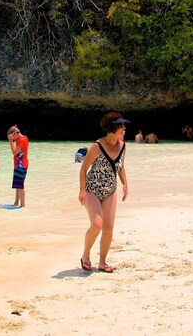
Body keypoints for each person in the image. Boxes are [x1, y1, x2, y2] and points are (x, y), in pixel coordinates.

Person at [79, 113, 130, 273]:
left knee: (108, 227)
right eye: (121, 126)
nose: (124, 129)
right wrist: (81, 190)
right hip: (92, 189)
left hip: (110, 190)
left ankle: (102, 262)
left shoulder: (122, 146)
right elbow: (84, 168)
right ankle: (85, 255)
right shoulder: (97, 146)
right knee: (97, 224)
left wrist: (125, 184)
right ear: (112, 128)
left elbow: (121, 167)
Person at [7, 125, 30, 209]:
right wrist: (13, 139)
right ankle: (16, 202)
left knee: (20, 185)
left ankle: (23, 205)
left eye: (13, 137)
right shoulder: (24, 138)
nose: (13, 140)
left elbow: (14, 152)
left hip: (21, 164)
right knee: (17, 185)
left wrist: (10, 142)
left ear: (16, 133)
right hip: (20, 164)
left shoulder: (21, 140)